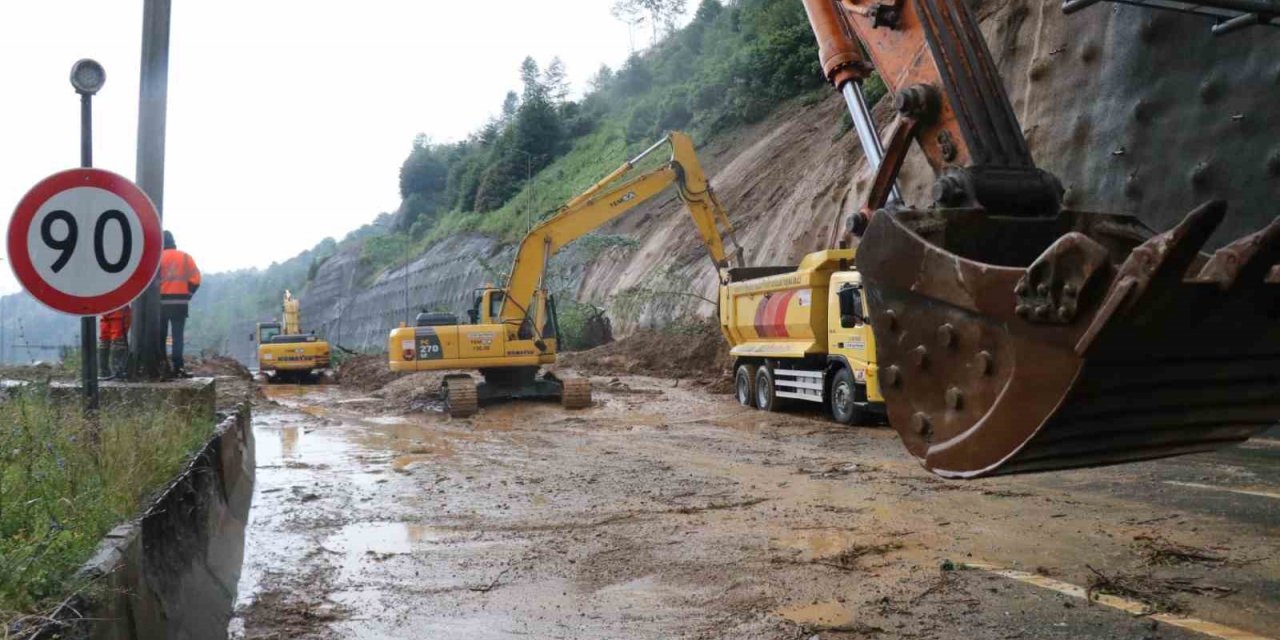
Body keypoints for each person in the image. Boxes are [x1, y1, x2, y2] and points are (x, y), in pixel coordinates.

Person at [159, 231, 202, 377]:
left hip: (161, 304)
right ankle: (178, 368)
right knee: (177, 337)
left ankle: (162, 367)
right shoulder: (185, 257)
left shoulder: (157, 258)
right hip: (180, 304)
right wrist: (187, 295)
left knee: (160, 336)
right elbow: (196, 280)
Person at [98, 305, 131, 380]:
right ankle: (105, 372)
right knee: (105, 339)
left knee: (117, 340)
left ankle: (115, 373)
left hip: (116, 307)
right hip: (106, 308)